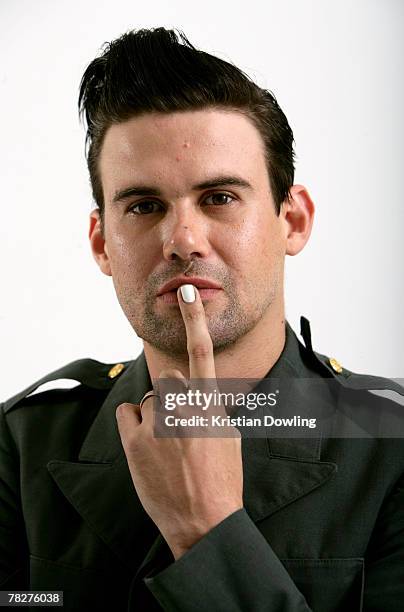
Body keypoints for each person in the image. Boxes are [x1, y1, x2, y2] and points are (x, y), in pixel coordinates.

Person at [1, 27, 403, 612]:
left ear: (292, 222)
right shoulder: (21, 445)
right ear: (101, 243)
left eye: (219, 198)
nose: (183, 241)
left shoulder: (391, 453)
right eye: (144, 206)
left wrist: (209, 529)